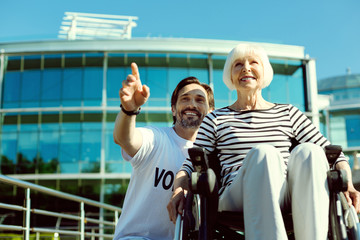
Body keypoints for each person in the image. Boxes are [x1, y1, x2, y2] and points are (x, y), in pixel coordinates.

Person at [167, 44, 360, 240]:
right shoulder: (216, 118)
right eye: (238, 64)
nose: (246, 68)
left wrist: (350, 185)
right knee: (263, 154)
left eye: (253, 63)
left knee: (310, 151)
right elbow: (190, 164)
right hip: (236, 194)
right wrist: (179, 190)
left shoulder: (289, 113)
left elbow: (335, 156)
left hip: (285, 192)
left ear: (264, 72)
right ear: (231, 76)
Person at [112, 62, 215, 240]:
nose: (192, 104)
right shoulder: (157, 138)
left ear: (210, 112)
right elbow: (125, 139)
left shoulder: (213, 155)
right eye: (185, 99)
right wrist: (129, 110)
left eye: (199, 100)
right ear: (173, 109)